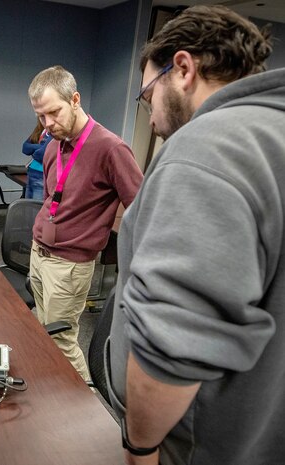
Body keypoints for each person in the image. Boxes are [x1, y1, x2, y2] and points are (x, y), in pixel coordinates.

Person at [107, 6, 282, 465]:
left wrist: (140, 446)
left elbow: (173, 345)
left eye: (148, 96)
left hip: (199, 445)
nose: (152, 115)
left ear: (182, 69)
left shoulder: (207, 148)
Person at [27, 65, 143, 381]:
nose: (48, 125)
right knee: (43, 327)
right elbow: (52, 198)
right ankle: (52, 385)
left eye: (54, 112)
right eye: (41, 117)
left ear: (75, 99)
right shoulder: (52, 145)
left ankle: (86, 404)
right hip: (40, 254)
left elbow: (141, 208)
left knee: (61, 339)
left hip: (69, 265)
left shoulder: (111, 148)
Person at [21, 120, 52, 200]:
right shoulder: (41, 130)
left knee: (37, 208)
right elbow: (25, 148)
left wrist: (36, 149)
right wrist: (40, 147)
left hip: (42, 175)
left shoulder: (55, 131)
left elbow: (41, 154)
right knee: (28, 206)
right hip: (32, 171)